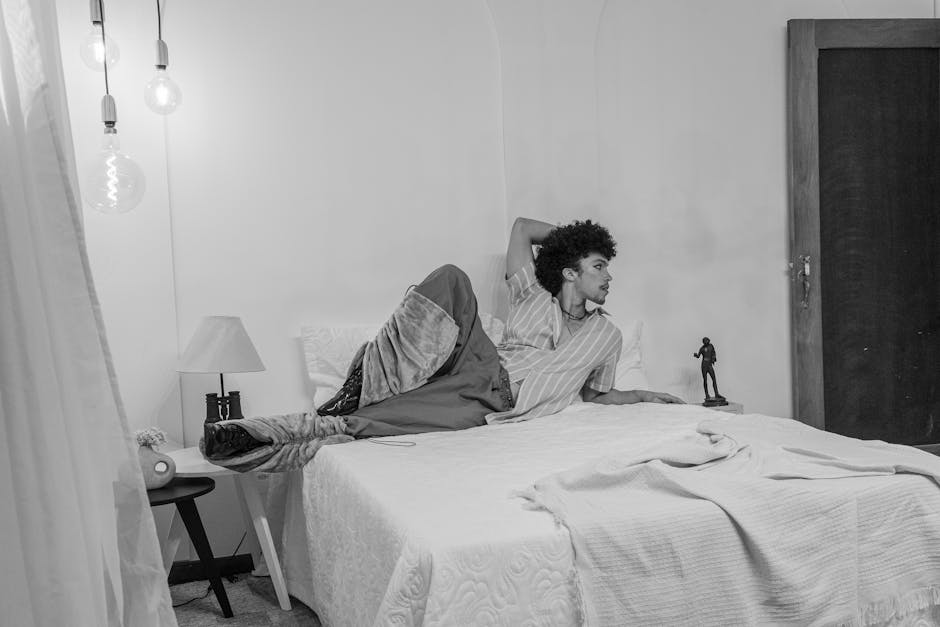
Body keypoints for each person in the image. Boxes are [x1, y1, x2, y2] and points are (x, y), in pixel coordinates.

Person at [203, 217, 681, 460]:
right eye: (599, 266)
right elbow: (521, 228)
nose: (608, 276)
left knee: (380, 424)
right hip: (484, 364)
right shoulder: (533, 294)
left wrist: (643, 396)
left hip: (498, 404)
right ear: (571, 271)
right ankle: (365, 377)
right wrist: (573, 243)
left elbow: (596, 394)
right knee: (452, 278)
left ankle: (261, 434)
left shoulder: (607, 335)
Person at [693, 337, 725, 402]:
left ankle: (716, 393)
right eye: (704, 341)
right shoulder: (702, 348)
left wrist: (714, 357)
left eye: (707, 341)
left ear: (708, 341)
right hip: (704, 365)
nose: (706, 342)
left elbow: (713, 352)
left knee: (714, 379)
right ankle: (707, 394)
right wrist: (696, 355)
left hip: (709, 365)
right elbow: (698, 356)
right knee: (705, 380)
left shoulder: (711, 346)